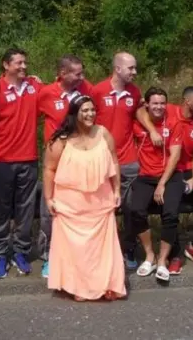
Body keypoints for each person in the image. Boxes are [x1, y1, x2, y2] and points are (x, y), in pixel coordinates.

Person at [44, 95, 126, 302]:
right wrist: (49, 198)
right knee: (76, 250)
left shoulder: (103, 133)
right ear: (75, 113)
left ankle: (106, 283)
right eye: (85, 110)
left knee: (101, 250)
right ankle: (78, 286)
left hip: (101, 202)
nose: (90, 114)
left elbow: (115, 163)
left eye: (92, 110)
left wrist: (117, 191)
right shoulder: (60, 141)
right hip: (70, 204)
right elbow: (49, 170)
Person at [90, 52, 158, 270]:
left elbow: (139, 112)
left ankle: (128, 247)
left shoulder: (134, 92)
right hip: (101, 159)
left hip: (128, 161)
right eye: (131, 68)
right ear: (118, 69)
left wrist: (152, 130)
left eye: (135, 68)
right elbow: (86, 117)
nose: (135, 72)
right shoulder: (98, 90)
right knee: (101, 208)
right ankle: (100, 251)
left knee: (130, 208)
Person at [138, 86, 193, 273]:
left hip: (189, 170)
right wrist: (151, 131)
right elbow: (141, 111)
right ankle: (175, 253)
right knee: (171, 207)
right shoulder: (168, 110)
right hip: (169, 170)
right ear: (187, 101)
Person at [37, 54, 93, 278]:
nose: (82, 77)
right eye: (77, 73)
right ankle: (48, 257)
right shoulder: (45, 93)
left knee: (79, 206)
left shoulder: (85, 88)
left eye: (82, 72)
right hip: (56, 158)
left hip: (79, 156)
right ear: (62, 73)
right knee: (50, 206)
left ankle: (76, 254)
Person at [0, 48, 42, 278]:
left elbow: (60, 92)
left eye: (25, 63)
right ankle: (0, 254)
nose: (23, 66)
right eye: (18, 63)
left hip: (29, 159)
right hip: (1, 160)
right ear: (5, 65)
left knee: (25, 211)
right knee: (0, 212)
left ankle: (21, 252)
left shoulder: (35, 86)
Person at [129, 87, 184, 282]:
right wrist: (151, 130)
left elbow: (175, 156)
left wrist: (162, 184)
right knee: (136, 210)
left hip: (170, 176)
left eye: (162, 103)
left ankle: (162, 260)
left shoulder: (174, 123)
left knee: (170, 214)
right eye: (155, 103)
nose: (159, 107)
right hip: (145, 175)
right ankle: (149, 255)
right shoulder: (139, 121)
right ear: (147, 104)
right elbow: (135, 110)